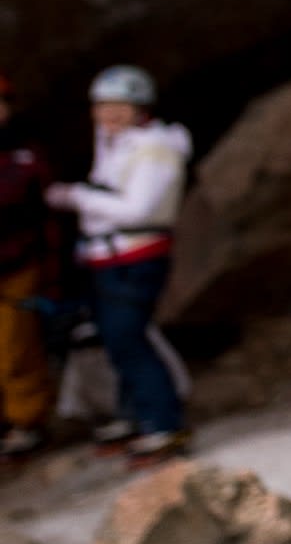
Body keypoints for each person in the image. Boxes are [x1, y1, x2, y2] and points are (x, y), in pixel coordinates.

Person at [46, 65, 194, 459]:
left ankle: (164, 422)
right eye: (103, 107)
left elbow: (137, 209)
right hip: (107, 257)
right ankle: (136, 416)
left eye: (120, 107)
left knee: (129, 338)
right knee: (115, 339)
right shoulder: (118, 141)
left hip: (134, 259)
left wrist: (77, 197)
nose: (109, 115)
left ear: (140, 108)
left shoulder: (154, 147)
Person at [0, 74, 57, 460]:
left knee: (14, 348)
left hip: (16, 266)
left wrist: (52, 272)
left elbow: (42, 215)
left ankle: (27, 422)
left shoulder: (23, 156)